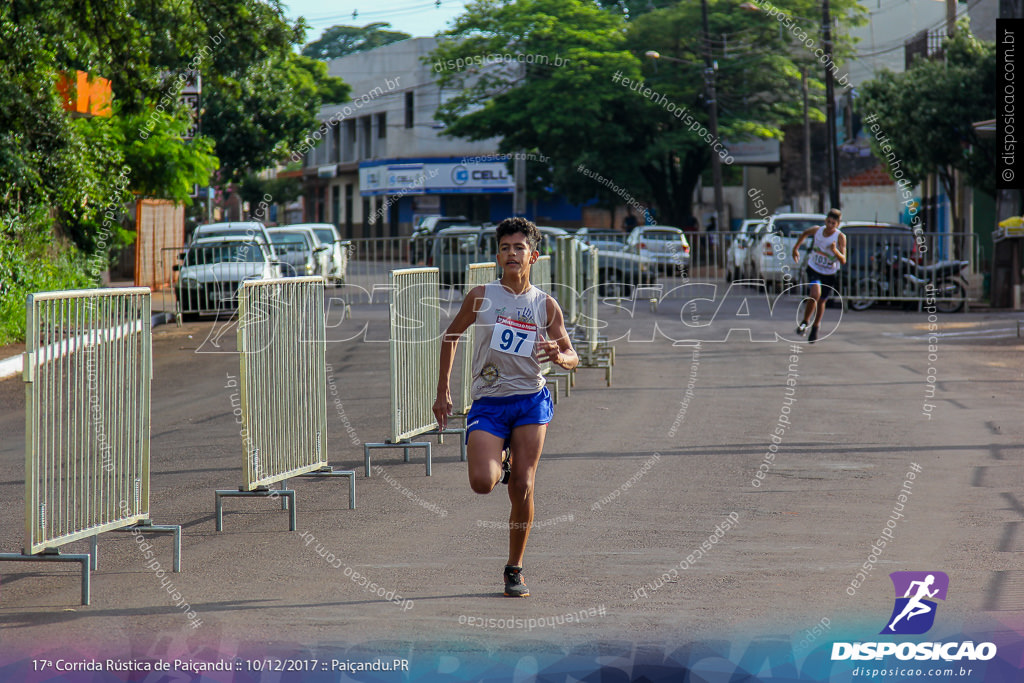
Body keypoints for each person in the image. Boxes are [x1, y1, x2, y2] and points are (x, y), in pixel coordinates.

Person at [432, 217, 578, 597]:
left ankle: (515, 568)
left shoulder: (545, 304)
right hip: (489, 402)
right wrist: (443, 390)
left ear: (534, 255)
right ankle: (504, 464)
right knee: (482, 483)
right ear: (497, 255)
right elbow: (450, 335)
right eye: (505, 248)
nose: (512, 254)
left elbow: (572, 354)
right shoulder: (481, 296)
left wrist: (558, 356)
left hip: (530, 399)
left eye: (519, 248)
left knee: (524, 487)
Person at [792, 208, 846, 343]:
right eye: (828, 222)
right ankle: (805, 321)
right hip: (814, 267)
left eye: (833, 223)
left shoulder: (840, 237)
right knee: (815, 295)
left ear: (837, 225)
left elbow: (843, 259)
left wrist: (834, 250)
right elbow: (804, 233)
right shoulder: (817, 230)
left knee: (822, 301)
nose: (830, 225)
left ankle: (815, 327)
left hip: (829, 272)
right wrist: (795, 248)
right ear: (825, 220)